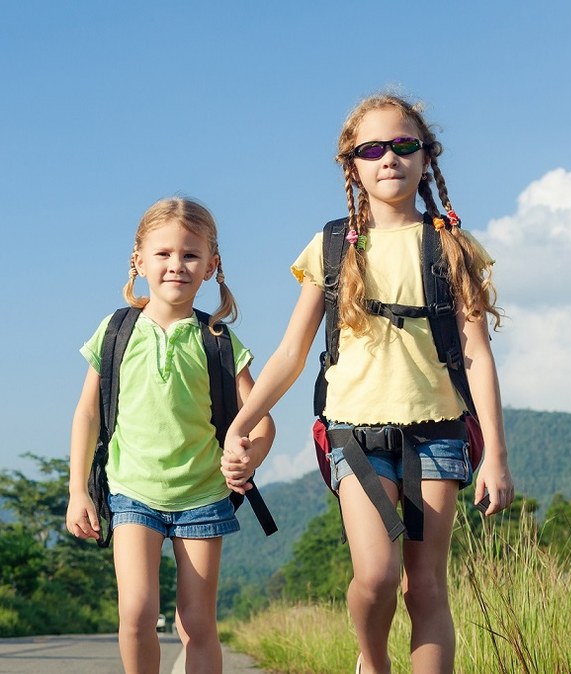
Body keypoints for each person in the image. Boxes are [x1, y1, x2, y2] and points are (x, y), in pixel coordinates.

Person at [220, 93, 515, 674]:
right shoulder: (331, 246)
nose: (390, 159)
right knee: (377, 576)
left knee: (425, 587)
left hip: (440, 431)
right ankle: (372, 661)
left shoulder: (451, 245)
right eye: (373, 148)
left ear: (427, 158)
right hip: (354, 430)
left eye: (405, 146)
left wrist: (497, 457)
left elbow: (478, 355)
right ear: (350, 165)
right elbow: (289, 353)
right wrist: (241, 425)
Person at [66, 196, 275, 674]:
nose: (176, 265)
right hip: (130, 491)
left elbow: (261, 422)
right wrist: (79, 490)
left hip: (202, 494)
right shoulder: (116, 331)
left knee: (196, 623)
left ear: (210, 266)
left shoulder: (218, 340)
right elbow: (86, 415)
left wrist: (251, 456)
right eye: (162, 254)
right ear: (138, 260)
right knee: (136, 612)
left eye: (190, 255)